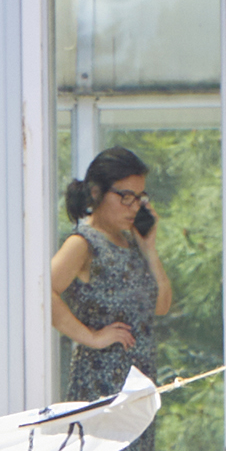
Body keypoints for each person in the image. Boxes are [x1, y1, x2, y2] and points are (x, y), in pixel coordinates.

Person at [48, 143, 172, 408]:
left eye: (139, 198)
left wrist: (149, 249)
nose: (134, 207)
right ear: (97, 193)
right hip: (100, 387)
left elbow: (160, 307)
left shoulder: (131, 242)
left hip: (138, 390)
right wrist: (91, 337)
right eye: (126, 196)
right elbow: (42, 294)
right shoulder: (83, 243)